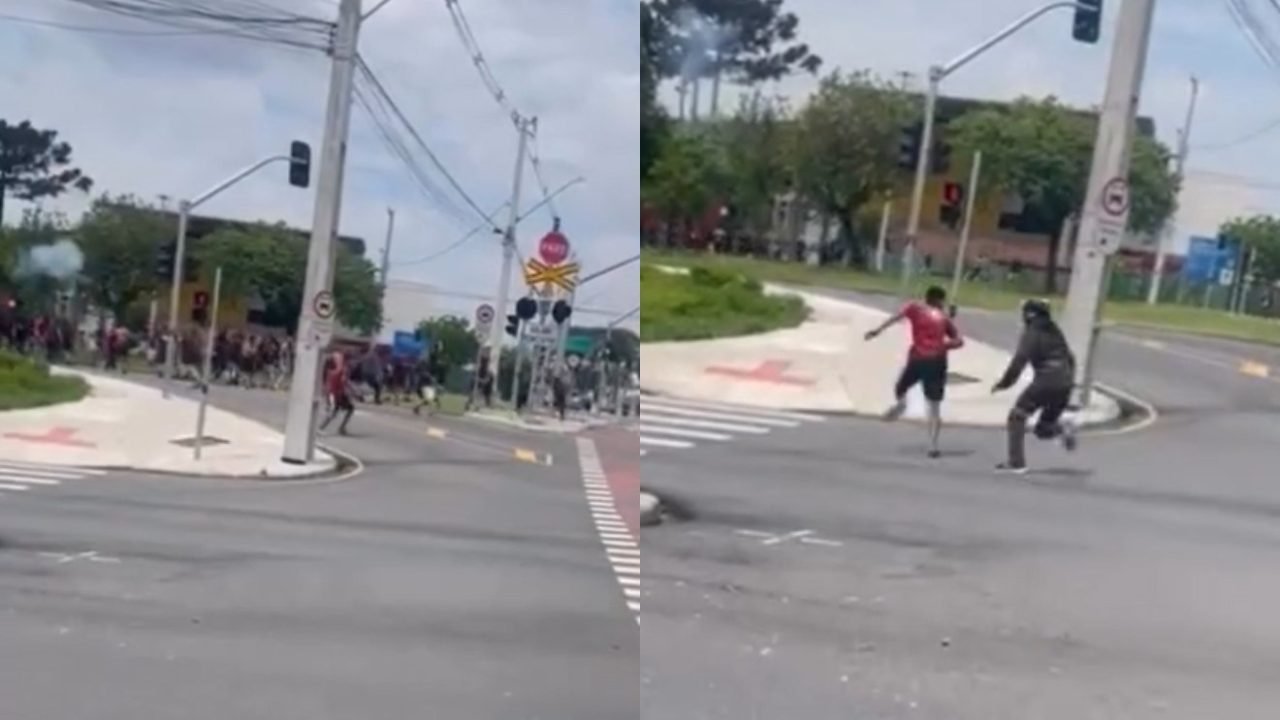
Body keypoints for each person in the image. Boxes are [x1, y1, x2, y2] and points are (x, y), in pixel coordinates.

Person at [864, 285, 964, 458]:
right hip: (937, 362)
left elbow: (896, 318)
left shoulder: (915, 308)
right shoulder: (943, 318)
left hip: (918, 358)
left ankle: (902, 404)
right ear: (939, 300)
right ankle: (933, 446)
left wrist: (877, 330)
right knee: (934, 406)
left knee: (900, 387)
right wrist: (944, 345)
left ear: (927, 298)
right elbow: (958, 341)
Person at [990, 298, 1079, 474]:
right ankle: (1061, 429)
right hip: (1065, 381)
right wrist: (1069, 381)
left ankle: (1016, 464)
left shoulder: (1032, 332)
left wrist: (1004, 383)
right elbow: (1071, 358)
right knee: (1043, 429)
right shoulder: (1055, 330)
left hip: (1046, 379)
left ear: (1030, 314)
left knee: (1017, 416)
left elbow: (1019, 361)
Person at [320, 351, 356, 436]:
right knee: (335, 410)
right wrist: (355, 392)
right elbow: (345, 382)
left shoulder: (331, 371)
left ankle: (339, 428)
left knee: (346, 409)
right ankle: (322, 427)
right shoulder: (342, 369)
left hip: (333, 392)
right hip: (335, 393)